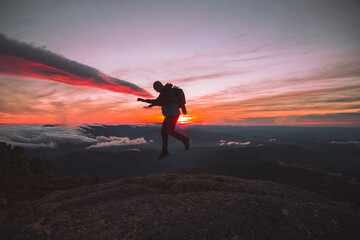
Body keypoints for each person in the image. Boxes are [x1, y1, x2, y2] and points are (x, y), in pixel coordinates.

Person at [137, 81, 190, 160]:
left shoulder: (169, 91)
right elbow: (156, 101)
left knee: (170, 131)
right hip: (169, 115)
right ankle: (164, 151)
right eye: (156, 90)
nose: (157, 91)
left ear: (160, 86)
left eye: (157, 89)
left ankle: (185, 139)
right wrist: (144, 100)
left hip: (173, 114)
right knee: (163, 133)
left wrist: (156, 103)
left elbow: (166, 101)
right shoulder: (163, 93)